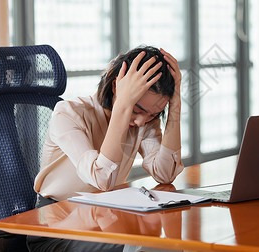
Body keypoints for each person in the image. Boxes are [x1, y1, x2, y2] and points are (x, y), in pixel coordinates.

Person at [27, 46, 184, 252]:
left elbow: (165, 174)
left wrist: (175, 107)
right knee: (138, 247)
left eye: (154, 114)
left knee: (165, 246)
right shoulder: (68, 114)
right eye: (137, 109)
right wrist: (123, 106)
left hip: (105, 219)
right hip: (55, 228)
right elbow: (103, 180)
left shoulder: (143, 122)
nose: (140, 121)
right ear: (115, 87)